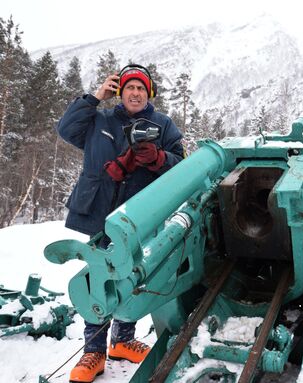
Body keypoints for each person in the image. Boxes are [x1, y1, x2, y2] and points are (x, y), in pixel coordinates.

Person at [56, 65, 184, 383]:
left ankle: (124, 339)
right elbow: (66, 129)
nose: (136, 93)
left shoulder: (163, 124)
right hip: (99, 212)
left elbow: (181, 164)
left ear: (149, 93)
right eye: (129, 88)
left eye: (141, 88)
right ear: (120, 91)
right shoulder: (100, 119)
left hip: (139, 216)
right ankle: (94, 350)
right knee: (97, 276)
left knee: (135, 275)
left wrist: (159, 160)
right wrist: (95, 96)